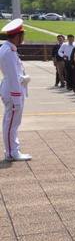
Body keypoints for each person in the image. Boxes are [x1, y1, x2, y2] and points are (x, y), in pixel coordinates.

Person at [0, 19, 32, 161]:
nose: (23, 37)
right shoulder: (9, 52)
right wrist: (17, 99)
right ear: (18, 36)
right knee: (12, 123)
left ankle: (13, 150)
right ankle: (12, 152)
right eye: (22, 35)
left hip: (11, 88)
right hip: (13, 91)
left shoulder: (6, 49)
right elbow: (13, 77)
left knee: (10, 122)